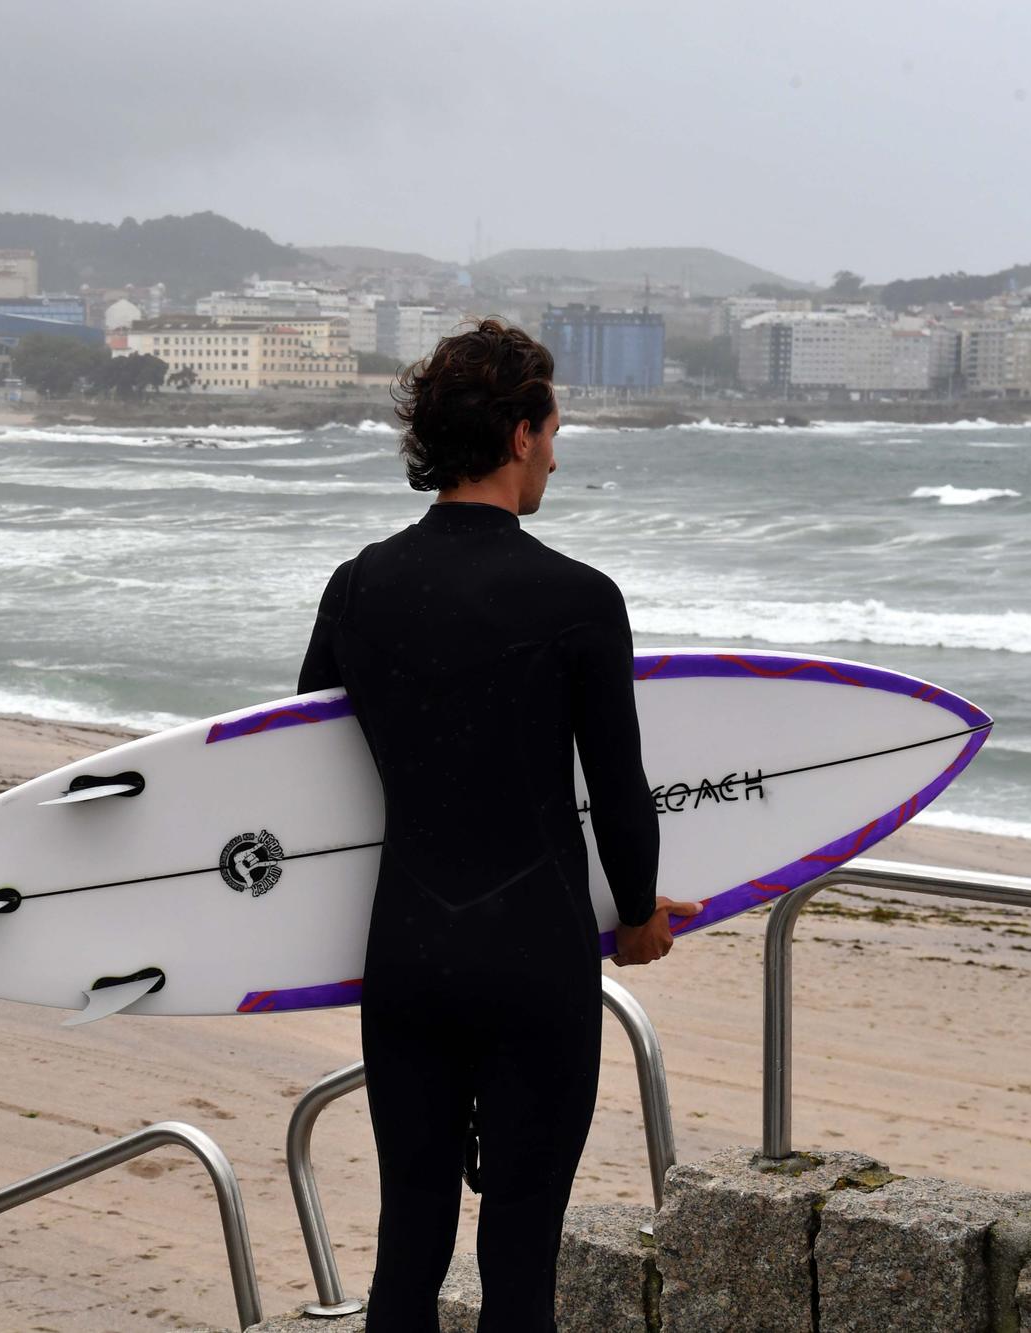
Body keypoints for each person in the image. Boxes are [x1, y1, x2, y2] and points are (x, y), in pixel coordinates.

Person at [297, 320, 699, 1331]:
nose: (556, 454)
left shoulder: (357, 587)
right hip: (535, 960)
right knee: (518, 1254)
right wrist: (640, 913)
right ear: (519, 433)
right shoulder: (576, 598)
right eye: (553, 429)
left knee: (408, 1243)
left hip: (407, 955)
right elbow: (617, 786)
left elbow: (301, 767)